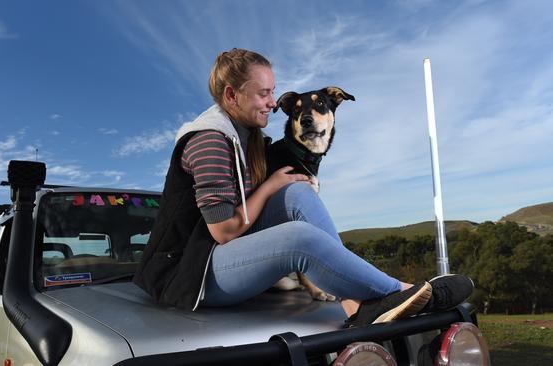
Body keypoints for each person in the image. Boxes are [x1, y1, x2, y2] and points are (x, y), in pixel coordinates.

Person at [133, 48, 473, 326]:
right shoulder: (209, 141)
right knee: (298, 235)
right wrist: (270, 187)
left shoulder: (248, 139)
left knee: (297, 192)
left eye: (272, 91)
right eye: (263, 93)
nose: (272, 101)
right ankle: (404, 292)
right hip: (190, 274)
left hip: (220, 255)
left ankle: (356, 302)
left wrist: (280, 187)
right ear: (232, 95)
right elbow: (222, 231)